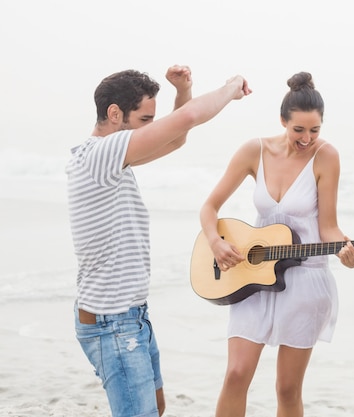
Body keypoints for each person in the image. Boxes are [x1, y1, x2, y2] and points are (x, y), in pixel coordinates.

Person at [66, 65, 251, 417]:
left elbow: (177, 136)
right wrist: (231, 87)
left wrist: (184, 90)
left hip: (130, 317)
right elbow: (187, 119)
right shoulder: (100, 155)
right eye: (145, 119)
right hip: (112, 323)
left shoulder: (111, 159)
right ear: (115, 114)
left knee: (156, 406)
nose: (151, 128)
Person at [199, 71, 354, 417]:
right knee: (235, 374)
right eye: (298, 129)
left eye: (315, 130)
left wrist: (346, 249)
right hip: (251, 275)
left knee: (287, 388)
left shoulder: (326, 156)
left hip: (305, 279)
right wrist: (215, 241)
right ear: (283, 121)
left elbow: (328, 226)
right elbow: (210, 207)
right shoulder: (253, 150)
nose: (307, 138)